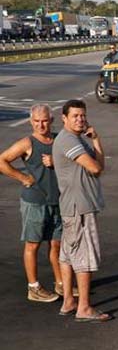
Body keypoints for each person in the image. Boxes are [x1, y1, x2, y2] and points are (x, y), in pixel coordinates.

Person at [53, 99, 111, 322]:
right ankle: (84, 307)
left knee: (68, 256)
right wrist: (94, 149)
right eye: (75, 116)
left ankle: (69, 301)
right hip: (80, 206)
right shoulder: (69, 140)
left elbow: (100, 165)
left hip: (73, 206)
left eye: (83, 115)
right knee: (84, 257)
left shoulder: (77, 139)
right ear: (64, 118)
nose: (80, 119)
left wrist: (96, 140)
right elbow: (95, 168)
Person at [0, 104, 64, 303]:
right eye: (36, 121)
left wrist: (56, 161)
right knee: (33, 244)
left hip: (58, 201)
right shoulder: (27, 143)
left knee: (57, 244)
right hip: (35, 202)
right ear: (31, 122)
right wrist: (23, 178)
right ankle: (33, 287)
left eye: (44, 120)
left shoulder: (59, 140)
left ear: (51, 120)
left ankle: (62, 283)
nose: (41, 125)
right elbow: (2, 160)